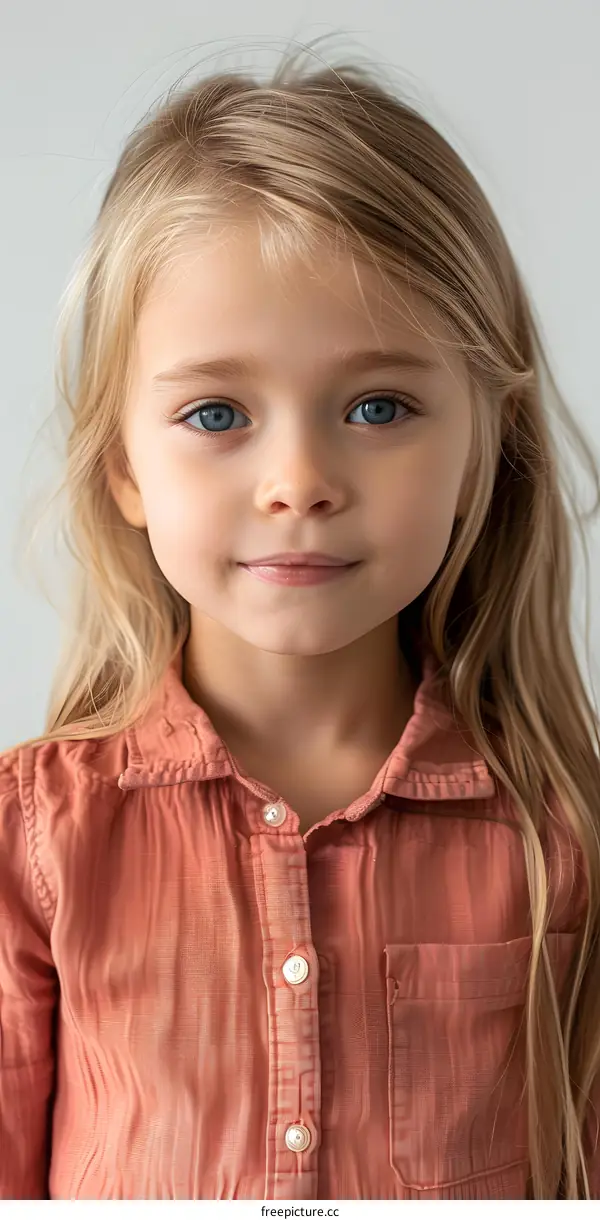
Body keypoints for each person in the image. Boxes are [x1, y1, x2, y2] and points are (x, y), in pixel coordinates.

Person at [1, 36, 600, 1203]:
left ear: (485, 445)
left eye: (378, 404)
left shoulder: (563, 835)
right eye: (217, 410)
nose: (298, 479)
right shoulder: (33, 841)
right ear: (121, 465)